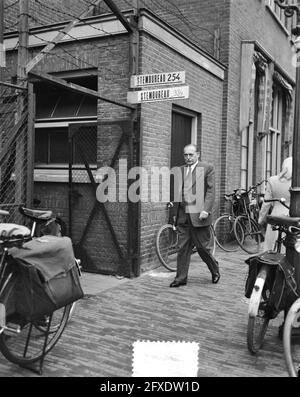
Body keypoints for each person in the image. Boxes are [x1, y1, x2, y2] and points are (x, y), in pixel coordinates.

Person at [169, 144, 220, 288]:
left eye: (191, 154)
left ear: (198, 154)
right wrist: (174, 214)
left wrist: (206, 210)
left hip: (199, 215)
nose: (188, 158)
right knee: (182, 248)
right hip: (182, 216)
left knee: (202, 248)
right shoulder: (180, 170)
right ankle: (180, 278)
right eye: (186, 155)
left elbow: (211, 191)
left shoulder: (207, 168)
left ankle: (214, 268)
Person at [258, 157, 293, 252]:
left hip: (275, 216)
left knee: (272, 244)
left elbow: (266, 203)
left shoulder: (273, 180)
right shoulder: (296, 182)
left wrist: (261, 219)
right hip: (293, 216)